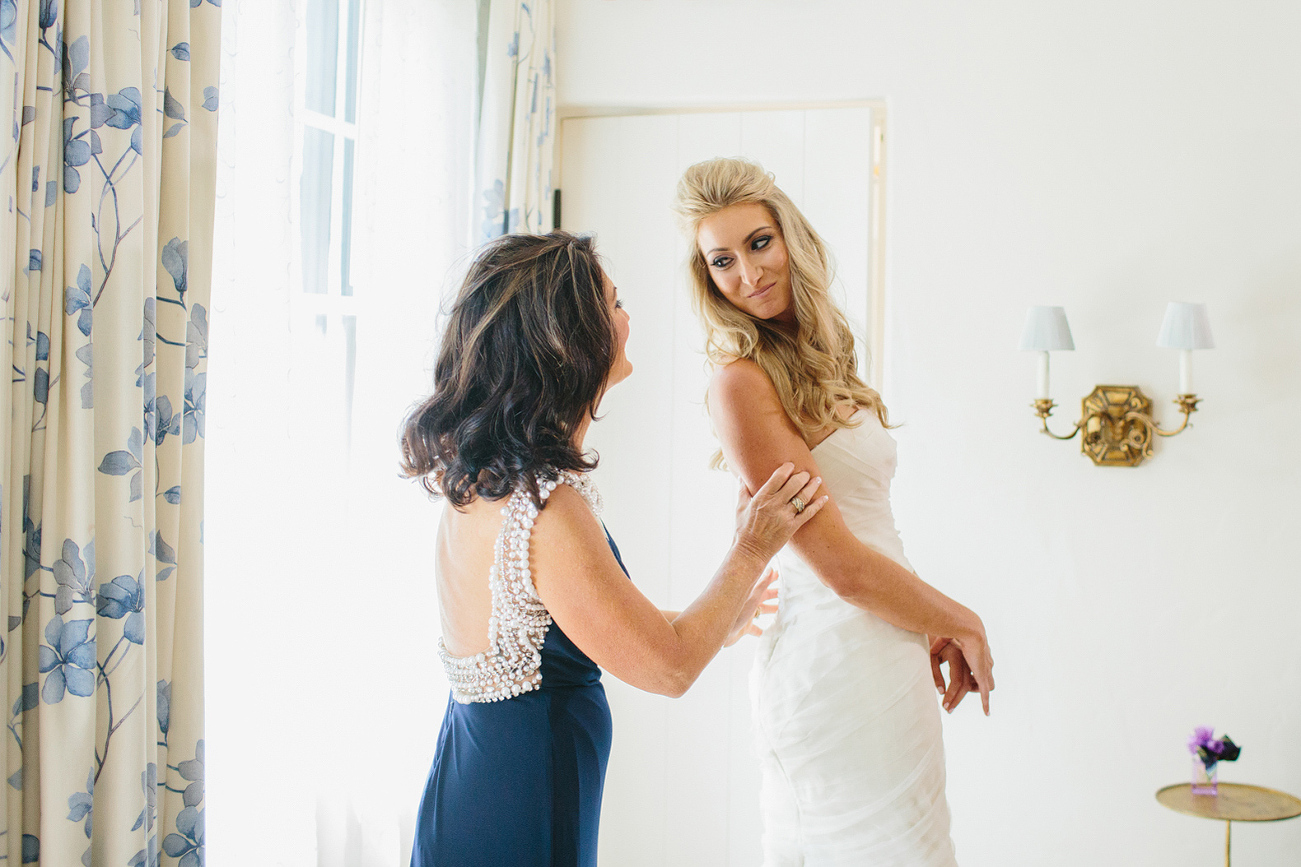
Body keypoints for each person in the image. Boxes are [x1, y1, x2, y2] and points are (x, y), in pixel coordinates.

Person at [399, 231, 826, 867]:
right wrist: (751, 547)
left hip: (471, 785)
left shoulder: (482, 478)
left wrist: (718, 619)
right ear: (576, 341)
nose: (628, 320)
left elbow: (594, 632)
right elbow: (668, 667)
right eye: (614, 305)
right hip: (526, 809)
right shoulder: (548, 507)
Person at [672, 158, 995, 866]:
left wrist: (922, 618)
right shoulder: (739, 383)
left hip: (888, 647)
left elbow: (873, 530)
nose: (747, 274)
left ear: (790, 235)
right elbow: (840, 565)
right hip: (830, 660)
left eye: (758, 243)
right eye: (721, 260)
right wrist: (956, 618)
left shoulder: (825, 359)